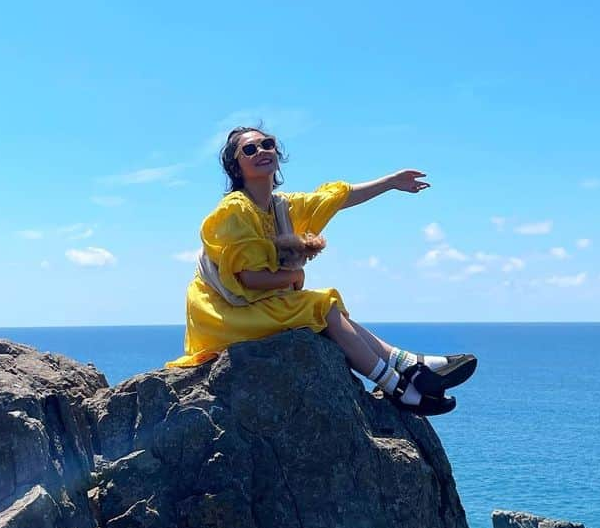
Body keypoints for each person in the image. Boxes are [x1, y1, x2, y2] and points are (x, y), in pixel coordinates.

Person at [164, 127, 477, 414]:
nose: (261, 151)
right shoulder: (235, 210)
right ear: (236, 166)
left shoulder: (281, 206)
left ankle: (409, 368)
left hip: (249, 304)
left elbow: (336, 198)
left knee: (326, 307)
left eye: (267, 144)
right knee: (322, 305)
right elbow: (249, 278)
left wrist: (391, 182)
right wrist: (295, 277)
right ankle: (401, 385)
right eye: (249, 150)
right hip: (221, 313)